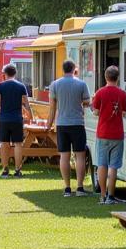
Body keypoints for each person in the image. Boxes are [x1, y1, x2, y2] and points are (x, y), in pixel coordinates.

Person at [46, 59, 92, 196]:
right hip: (77, 123)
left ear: (63, 69)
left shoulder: (55, 84)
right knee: (80, 156)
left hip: (61, 124)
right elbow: (87, 102)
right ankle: (79, 187)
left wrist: (49, 124)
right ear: (74, 69)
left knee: (64, 156)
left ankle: (67, 187)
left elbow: (52, 107)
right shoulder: (81, 83)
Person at [92, 66, 126, 205]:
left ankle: (102, 195)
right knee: (113, 166)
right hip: (117, 134)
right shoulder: (122, 94)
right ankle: (111, 196)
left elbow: (95, 112)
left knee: (102, 164)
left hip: (102, 133)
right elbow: (124, 113)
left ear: (105, 77)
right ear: (118, 77)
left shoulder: (100, 92)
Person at [0, 63, 31, 177]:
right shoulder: (21, 86)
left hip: (4, 118)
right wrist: (30, 116)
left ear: (5, 74)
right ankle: (17, 170)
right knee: (18, 144)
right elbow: (26, 103)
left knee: (4, 144)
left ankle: (5, 169)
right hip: (17, 119)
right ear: (15, 73)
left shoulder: (0, 86)